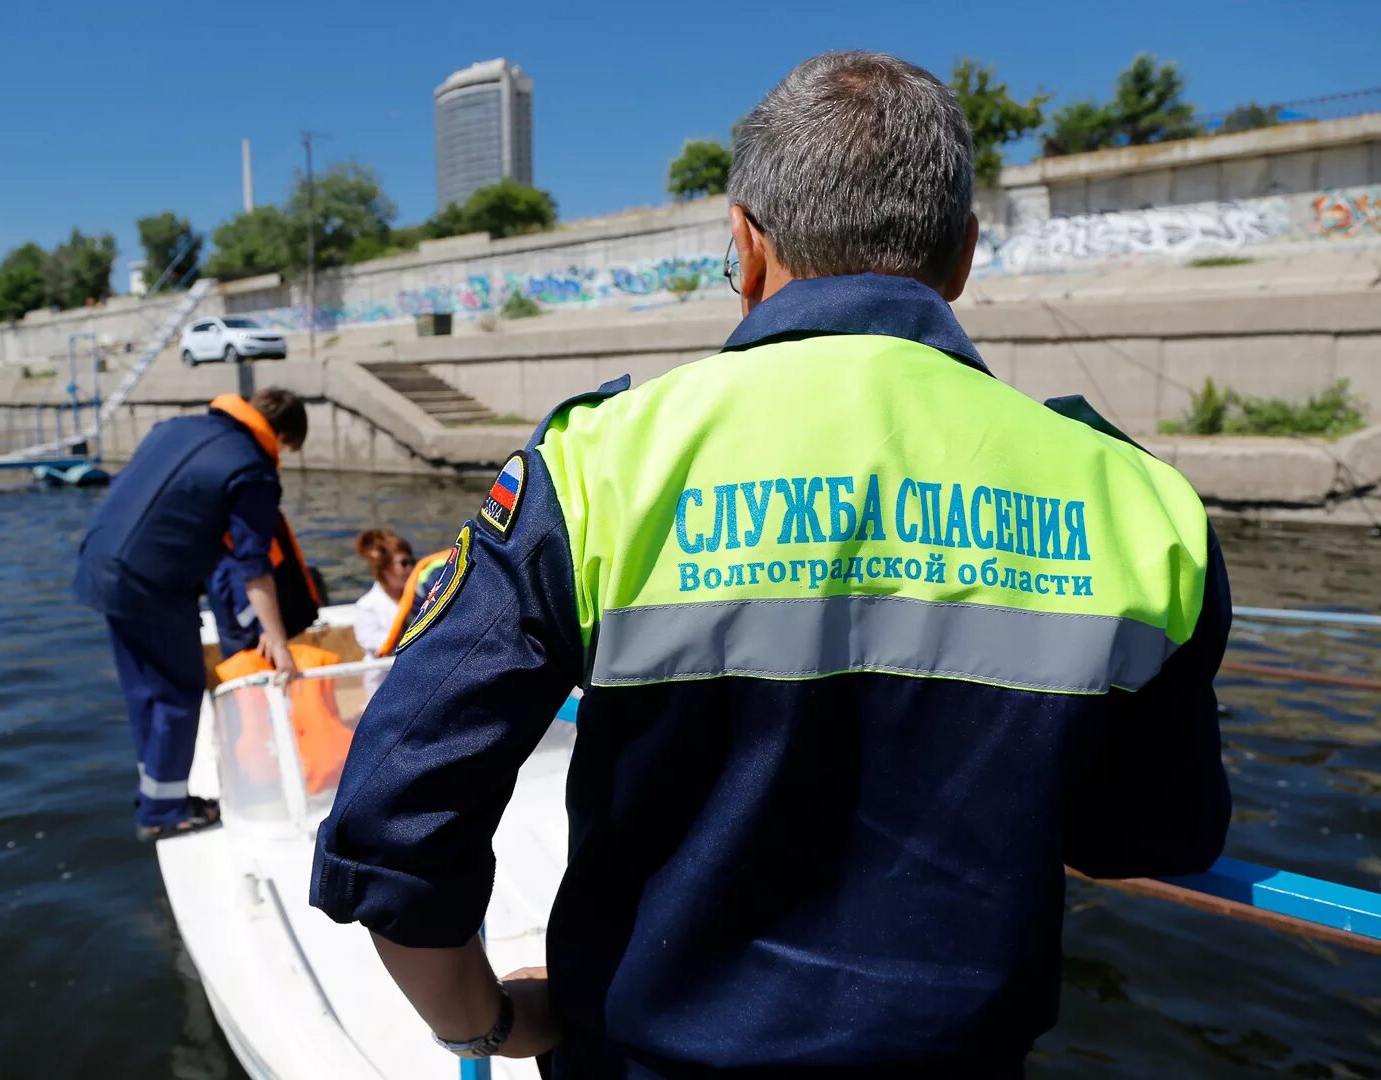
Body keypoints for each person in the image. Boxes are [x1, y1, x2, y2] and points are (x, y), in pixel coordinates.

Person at [309, 51, 1231, 1076]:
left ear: (745, 244)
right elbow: (1150, 835)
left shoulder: (599, 468)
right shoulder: (1140, 504)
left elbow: (393, 825)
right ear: (965, 255)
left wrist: (486, 1028)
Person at [74, 388, 308, 841]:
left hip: (102, 563)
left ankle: (156, 796)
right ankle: (165, 814)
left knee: (144, 690)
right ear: (280, 436)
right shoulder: (251, 467)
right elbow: (253, 564)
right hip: (152, 581)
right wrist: (278, 642)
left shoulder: (177, 428)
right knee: (176, 693)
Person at [350, 529, 416, 656]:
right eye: (404, 563)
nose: (410, 568)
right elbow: (378, 645)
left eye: (412, 562)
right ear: (383, 567)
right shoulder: (367, 606)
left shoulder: (422, 597)